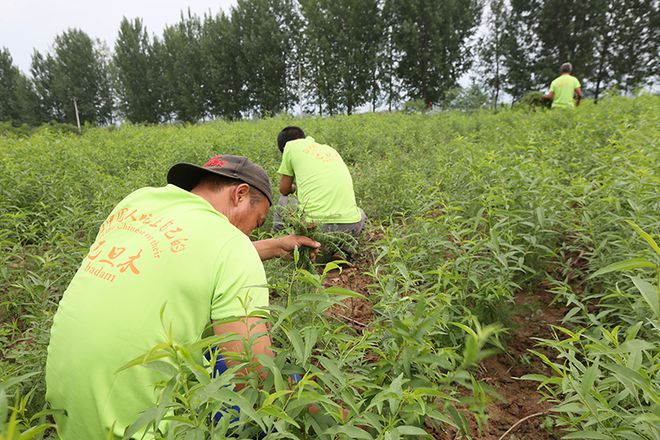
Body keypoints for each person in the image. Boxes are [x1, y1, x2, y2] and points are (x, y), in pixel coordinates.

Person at [45, 154, 320, 439]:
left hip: (67, 412)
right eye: (258, 221)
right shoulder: (232, 245)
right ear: (240, 194)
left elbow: (191, 249)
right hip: (141, 429)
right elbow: (251, 374)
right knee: (269, 395)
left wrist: (275, 246)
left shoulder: (138, 202)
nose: (251, 232)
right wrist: (316, 411)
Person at [274, 126, 366, 236]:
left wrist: (294, 188)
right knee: (359, 212)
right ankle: (345, 249)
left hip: (316, 227)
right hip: (351, 226)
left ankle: (280, 242)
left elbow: (284, 189)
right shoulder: (329, 149)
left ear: (284, 148)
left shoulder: (290, 146)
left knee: (284, 200)